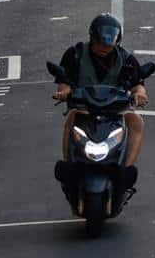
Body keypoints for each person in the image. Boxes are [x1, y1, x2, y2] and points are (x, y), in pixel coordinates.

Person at [53, 14, 148, 181]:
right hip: (84, 107)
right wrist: (64, 92)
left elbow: (137, 83)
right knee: (71, 117)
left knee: (137, 121)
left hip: (116, 109)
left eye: (109, 46)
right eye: (100, 44)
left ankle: (126, 170)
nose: (104, 48)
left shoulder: (126, 58)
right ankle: (68, 165)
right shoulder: (75, 54)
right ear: (92, 37)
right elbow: (64, 82)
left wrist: (140, 93)